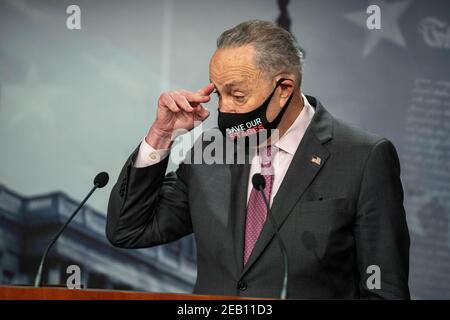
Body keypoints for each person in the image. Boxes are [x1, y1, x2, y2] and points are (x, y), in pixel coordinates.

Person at [106, 20, 410, 299]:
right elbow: (128, 230)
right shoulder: (211, 150)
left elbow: (384, 291)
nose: (224, 109)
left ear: (284, 89)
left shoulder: (363, 157)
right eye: (218, 95)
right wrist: (162, 135)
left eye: (237, 96)